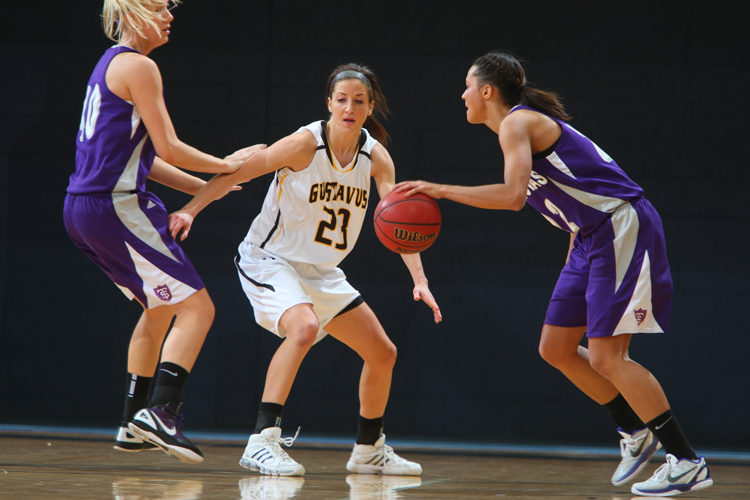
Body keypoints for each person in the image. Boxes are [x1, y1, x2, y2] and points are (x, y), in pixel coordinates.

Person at [395, 51, 713, 497]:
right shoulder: (517, 128)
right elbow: (572, 198)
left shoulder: (516, 123)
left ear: (487, 91)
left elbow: (511, 196)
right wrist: (573, 265)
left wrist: (439, 189)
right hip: (587, 237)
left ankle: (686, 460)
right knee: (556, 348)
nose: (463, 94)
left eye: (468, 86)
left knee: (606, 358)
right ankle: (634, 431)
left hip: (620, 226)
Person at [169, 63, 441, 476]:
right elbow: (239, 171)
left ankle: (368, 450)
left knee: (383, 353)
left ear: (370, 108)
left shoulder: (376, 158)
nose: (350, 107)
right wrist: (191, 209)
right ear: (329, 103)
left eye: (359, 101)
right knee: (304, 328)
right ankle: (262, 442)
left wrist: (419, 281)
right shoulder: (304, 144)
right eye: (342, 99)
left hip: (321, 271)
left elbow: (402, 224)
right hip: (269, 258)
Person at [63, 0, 261, 463]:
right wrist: (230, 164)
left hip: (83, 209)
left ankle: (132, 422)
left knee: (159, 308)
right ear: (133, 14)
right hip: (114, 206)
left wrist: (209, 185)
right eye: (158, 6)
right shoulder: (140, 66)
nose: (170, 14)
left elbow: (146, 157)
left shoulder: (110, 62)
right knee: (198, 309)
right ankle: (161, 413)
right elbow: (170, 144)